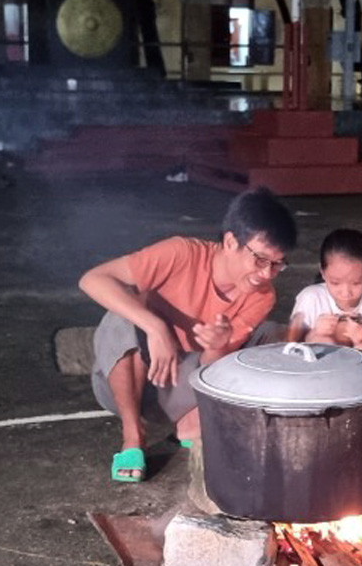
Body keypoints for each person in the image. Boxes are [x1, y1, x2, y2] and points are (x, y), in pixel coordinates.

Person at [79, 187, 297, 483]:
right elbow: (92, 279)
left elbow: (212, 369)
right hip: (126, 386)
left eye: (277, 265)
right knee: (119, 316)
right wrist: (155, 328)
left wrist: (219, 345)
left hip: (179, 393)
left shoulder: (262, 296)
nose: (266, 274)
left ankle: (191, 423)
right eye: (260, 260)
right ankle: (133, 438)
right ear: (231, 242)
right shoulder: (181, 254)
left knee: (272, 336)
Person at [286, 228, 362, 362]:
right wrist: (312, 335)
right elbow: (290, 351)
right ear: (323, 272)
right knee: (322, 341)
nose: (346, 293)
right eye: (335, 283)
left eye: (356, 283)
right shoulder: (310, 298)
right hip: (322, 379)